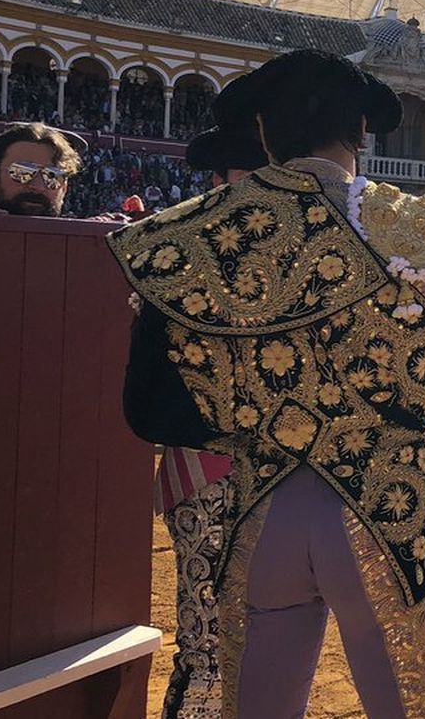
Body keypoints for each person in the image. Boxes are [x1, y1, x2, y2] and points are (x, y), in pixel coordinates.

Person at [111, 49, 425, 717]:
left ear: (262, 134)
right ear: (361, 132)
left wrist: (252, 423)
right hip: (384, 514)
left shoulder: (190, 235)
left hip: (259, 518)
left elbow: (150, 413)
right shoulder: (418, 227)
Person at [151, 90, 268, 718]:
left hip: (283, 466)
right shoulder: (175, 248)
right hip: (208, 460)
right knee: (206, 627)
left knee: (274, 621)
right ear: (221, 180)